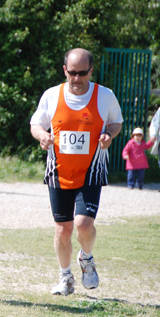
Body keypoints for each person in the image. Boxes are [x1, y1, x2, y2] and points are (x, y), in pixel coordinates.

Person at [30, 48, 123, 296]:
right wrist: (43, 137)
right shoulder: (51, 95)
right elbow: (36, 123)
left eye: (83, 73)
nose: (77, 78)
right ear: (65, 71)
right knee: (63, 229)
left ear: (91, 71)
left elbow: (116, 122)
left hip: (91, 171)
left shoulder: (105, 96)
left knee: (83, 224)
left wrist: (109, 135)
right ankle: (65, 278)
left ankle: (87, 258)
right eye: (72, 73)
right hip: (58, 171)